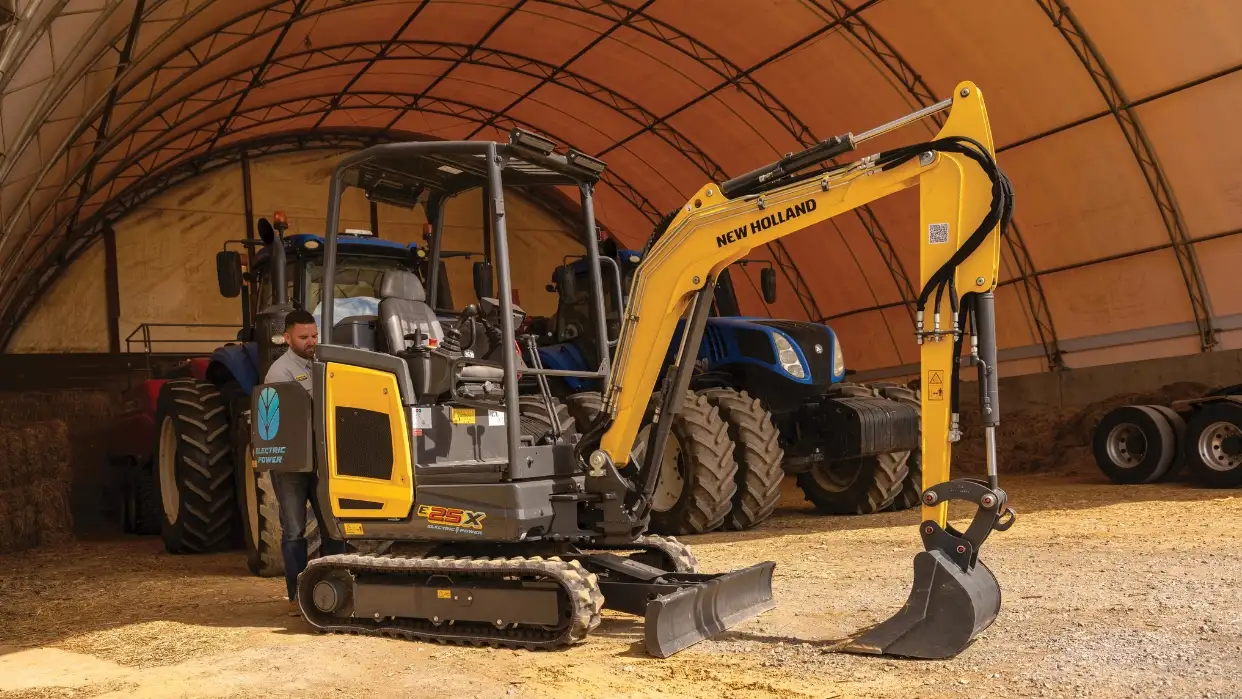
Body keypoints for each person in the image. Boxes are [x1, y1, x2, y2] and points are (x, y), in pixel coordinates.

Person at [264, 309, 346, 616]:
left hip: (324, 461)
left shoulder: (325, 363)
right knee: (294, 530)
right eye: (304, 337)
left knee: (333, 527)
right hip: (293, 465)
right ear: (287, 338)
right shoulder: (279, 372)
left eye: (314, 335)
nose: (311, 341)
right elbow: (282, 423)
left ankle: (337, 589)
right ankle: (297, 596)